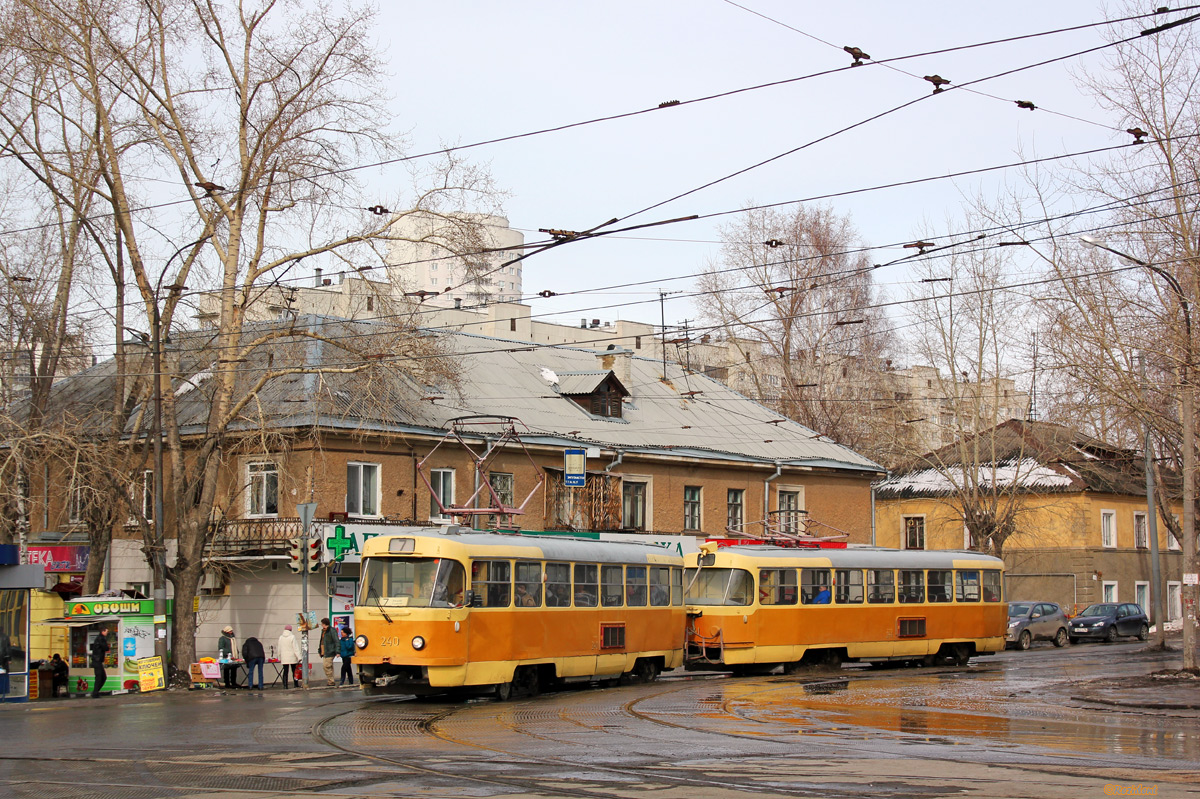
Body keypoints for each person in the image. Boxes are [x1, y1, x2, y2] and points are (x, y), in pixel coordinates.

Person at [278, 625, 301, 689]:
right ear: (291, 630)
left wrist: (279, 657)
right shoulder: (292, 637)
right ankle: (295, 684)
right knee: (294, 671)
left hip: (284, 657)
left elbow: (279, 648)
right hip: (292, 657)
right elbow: (295, 648)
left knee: (285, 671)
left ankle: (285, 685)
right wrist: (299, 657)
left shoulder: (281, 637)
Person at [89, 626, 109, 697]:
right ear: (103, 631)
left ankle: (96, 692)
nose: (107, 633)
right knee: (99, 677)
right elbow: (105, 647)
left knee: (102, 677)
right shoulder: (101, 638)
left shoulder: (99, 638)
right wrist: (107, 646)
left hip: (97, 661)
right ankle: (95, 693)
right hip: (97, 661)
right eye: (106, 631)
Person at [318, 618, 338, 686]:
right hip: (325, 651)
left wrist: (337, 651)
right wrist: (320, 650)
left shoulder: (331, 630)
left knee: (326, 666)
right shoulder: (323, 631)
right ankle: (331, 680)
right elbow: (321, 641)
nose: (321, 625)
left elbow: (336, 641)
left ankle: (331, 681)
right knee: (328, 666)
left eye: (322, 624)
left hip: (330, 651)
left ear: (324, 624)